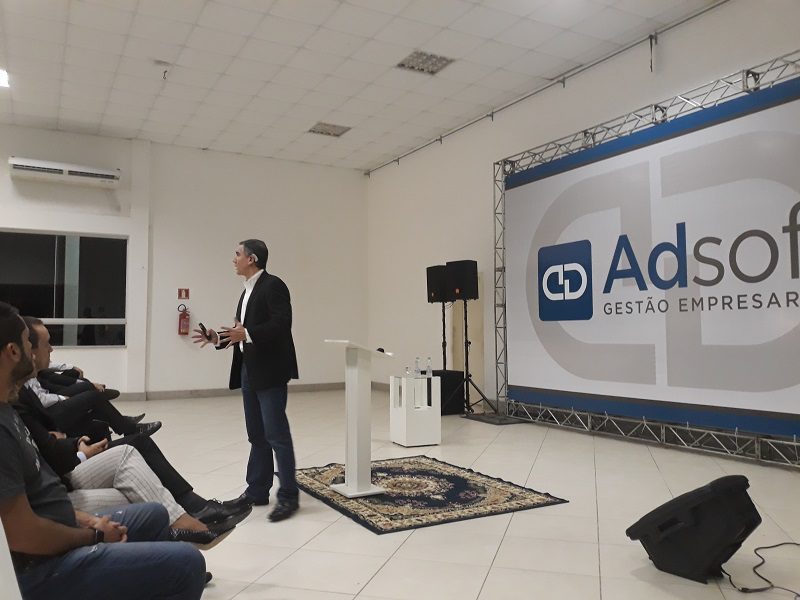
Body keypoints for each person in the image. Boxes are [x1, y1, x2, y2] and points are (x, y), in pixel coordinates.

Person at [0, 301, 207, 599]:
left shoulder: (8, 409)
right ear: (13, 352)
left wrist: (88, 521)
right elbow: (23, 535)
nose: (33, 353)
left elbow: (41, 499)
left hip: (60, 522)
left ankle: (148, 568)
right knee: (188, 563)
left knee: (155, 513)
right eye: (26, 343)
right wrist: (93, 535)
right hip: (41, 569)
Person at [18, 317, 251, 531]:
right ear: (16, 351)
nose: (51, 349)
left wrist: (70, 442)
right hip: (59, 478)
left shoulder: (26, 387)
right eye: (40, 345)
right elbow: (44, 447)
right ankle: (192, 521)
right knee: (138, 471)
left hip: (61, 464)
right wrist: (76, 450)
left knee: (135, 449)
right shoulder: (16, 400)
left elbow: (45, 436)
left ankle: (194, 512)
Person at [193, 239, 300, 522]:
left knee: (276, 434)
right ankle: (257, 491)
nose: (234, 259)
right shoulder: (246, 291)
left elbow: (281, 324)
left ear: (251, 259)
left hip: (270, 371)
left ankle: (289, 496)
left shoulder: (273, 285)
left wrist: (248, 333)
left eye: (237, 254)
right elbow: (241, 332)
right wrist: (217, 338)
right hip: (249, 370)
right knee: (256, 434)